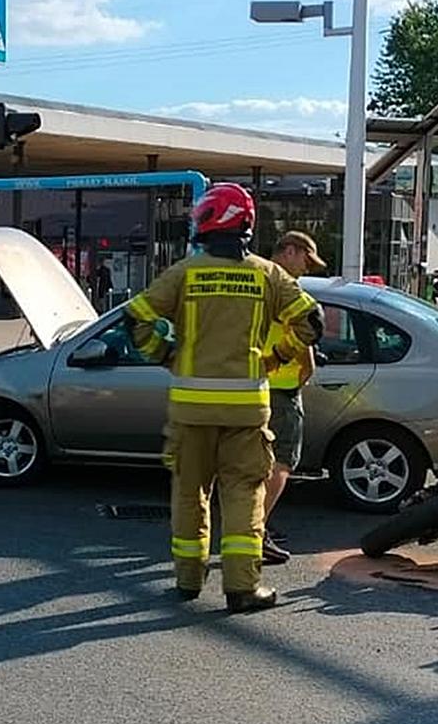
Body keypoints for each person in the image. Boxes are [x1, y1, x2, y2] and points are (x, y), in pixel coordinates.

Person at [124, 184, 323, 612]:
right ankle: (242, 588)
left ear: (206, 223)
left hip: (190, 408)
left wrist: (167, 356)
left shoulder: (184, 273)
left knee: (189, 494)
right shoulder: (268, 274)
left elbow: (136, 318)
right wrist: (275, 357)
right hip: (246, 410)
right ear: (247, 225)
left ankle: (188, 580)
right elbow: (311, 321)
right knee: (244, 495)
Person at [262, 230, 327, 564]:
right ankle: (255, 532)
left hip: (251, 386)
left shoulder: (257, 281)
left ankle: (246, 529)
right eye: (305, 259)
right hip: (282, 390)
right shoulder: (288, 290)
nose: (307, 269)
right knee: (281, 463)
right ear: (289, 251)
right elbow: (305, 341)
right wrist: (304, 374)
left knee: (250, 467)